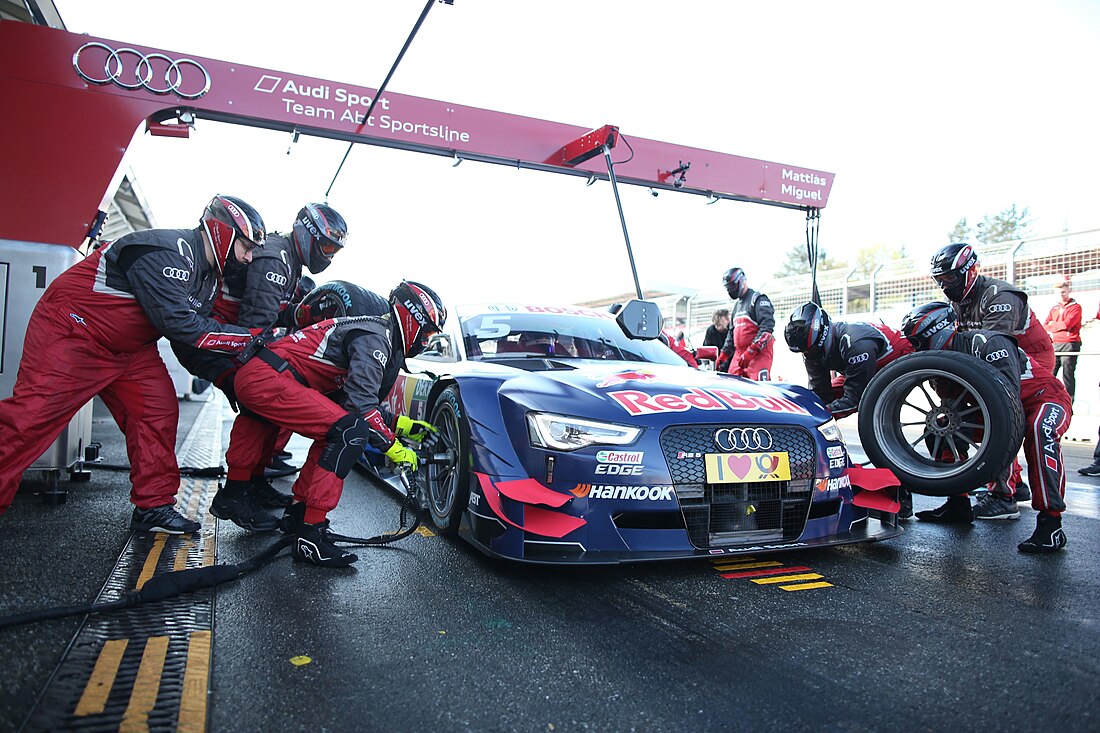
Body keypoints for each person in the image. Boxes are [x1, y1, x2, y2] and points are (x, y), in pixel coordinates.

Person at [0, 195, 269, 533]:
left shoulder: (209, 279)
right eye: (246, 246)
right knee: (29, 420)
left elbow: (190, 340)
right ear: (223, 232)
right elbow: (183, 326)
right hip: (74, 331)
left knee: (158, 412)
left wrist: (227, 376)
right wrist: (248, 339)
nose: (248, 257)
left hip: (130, 351)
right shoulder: (171, 251)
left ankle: (153, 507)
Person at [218, 280, 446, 566]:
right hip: (268, 378)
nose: (424, 341)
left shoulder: (375, 331)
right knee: (349, 433)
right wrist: (394, 448)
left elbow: (350, 402)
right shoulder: (376, 338)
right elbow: (360, 408)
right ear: (410, 318)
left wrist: (401, 425)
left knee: (336, 429)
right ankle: (310, 536)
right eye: (424, 332)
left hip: (264, 374)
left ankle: (295, 514)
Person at [173, 203, 350, 498]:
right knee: (264, 395)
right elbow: (255, 327)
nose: (328, 255)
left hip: (225, 336)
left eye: (334, 250)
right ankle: (238, 491)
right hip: (211, 339)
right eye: (327, 245)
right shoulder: (277, 258)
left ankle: (253, 482)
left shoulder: (287, 258)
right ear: (308, 234)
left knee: (270, 390)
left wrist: (301, 315)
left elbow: (267, 316)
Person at [900, 302, 1071, 552]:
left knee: (1038, 430)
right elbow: (953, 408)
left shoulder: (988, 343)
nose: (915, 349)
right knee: (943, 428)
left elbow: (1008, 404)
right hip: (993, 410)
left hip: (1044, 397)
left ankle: (1051, 524)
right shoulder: (939, 365)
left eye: (917, 342)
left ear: (934, 332)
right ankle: (957, 504)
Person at [930, 242, 1054, 502]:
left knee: (1001, 413)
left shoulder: (1002, 296)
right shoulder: (956, 303)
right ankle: (1012, 482)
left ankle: (1002, 493)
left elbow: (996, 350)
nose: (945, 286)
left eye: (950, 278)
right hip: (998, 355)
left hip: (1030, 358)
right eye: (939, 280)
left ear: (970, 270)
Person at [784, 302, 915, 516]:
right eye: (806, 352)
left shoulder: (856, 344)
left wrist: (818, 420)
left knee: (879, 423)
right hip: (859, 369)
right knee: (808, 406)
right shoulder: (811, 351)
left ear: (824, 335)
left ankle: (900, 493)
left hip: (896, 360)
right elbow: (820, 396)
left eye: (813, 350)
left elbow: (855, 400)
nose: (811, 356)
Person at [716, 268, 775, 380]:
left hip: (759, 354)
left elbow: (767, 328)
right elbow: (731, 333)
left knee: (758, 390)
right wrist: (724, 354)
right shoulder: (736, 306)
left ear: (741, 281)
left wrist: (752, 351)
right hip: (739, 354)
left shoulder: (757, 299)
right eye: (728, 288)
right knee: (731, 386)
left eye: (732, 286)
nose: (730, 290)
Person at [1044, 281, 1081, 400]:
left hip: (1070, 343)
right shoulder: (1054, 308)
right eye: (1059, 292)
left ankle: (1070, 401)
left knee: (1068, 374)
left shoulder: (1076, 307)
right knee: (1050, 373)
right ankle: (1047, 398)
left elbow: (1068, 324)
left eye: (1064, 292)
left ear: (1069, 291)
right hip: (1055, 344)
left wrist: (1054, 326)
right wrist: (1057, 326)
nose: (1061, 295)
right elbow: (1045, 325)